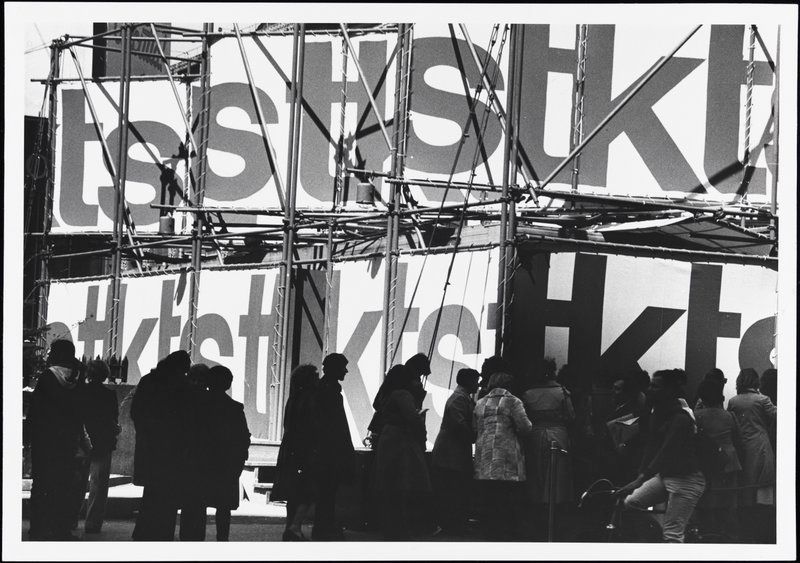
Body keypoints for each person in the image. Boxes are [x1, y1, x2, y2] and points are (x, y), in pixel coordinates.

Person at [619, 369, 706, 543]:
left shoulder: (681, 418)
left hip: (686, 480)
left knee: (672, 534)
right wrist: (640, 476)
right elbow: (651, 448)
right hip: (668, 475)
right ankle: (654, 543)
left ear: (669, 391)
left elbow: (666, 451)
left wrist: (639, 480)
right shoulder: (658, 414)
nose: (650, 389)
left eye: (655, 386)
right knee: (631, 503)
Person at [28, 340, 86, 540]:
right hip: (67, 443)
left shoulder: (47, 377)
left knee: (42, 485)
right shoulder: (78, 378)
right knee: (64, 486)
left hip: (45, 441)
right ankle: (61, 529)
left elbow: (36, 412)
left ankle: (38, 528)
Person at [130, 351, 191, 541]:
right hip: (173, 450)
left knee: (151, 493)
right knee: (169, 497)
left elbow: (136, 412)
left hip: (151, 447)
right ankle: (163, 534)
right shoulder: (182, 386)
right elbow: (186, 420)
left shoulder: (149, 380)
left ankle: (143, 532)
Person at [372, 364, 432, 540]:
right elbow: (412, 418)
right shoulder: (403, 395)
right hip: (401, 441)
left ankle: (390, 526)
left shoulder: (388, 395)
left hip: (388, 439)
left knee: (389, 483)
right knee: (403, 483)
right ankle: (401, 527)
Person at [473, 371, 532, 540]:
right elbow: (525, 427)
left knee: (489, 498)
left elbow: (474, 428)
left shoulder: (480, 403)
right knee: (507, 499)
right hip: (507, 456)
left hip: (485, 455)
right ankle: (506, 534)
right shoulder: (513, 401)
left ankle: (489, 533)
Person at [521, 358, 575, 538]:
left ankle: (537, 512)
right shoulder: (562, 392)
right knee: (557, 475)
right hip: (558, 433)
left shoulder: (528, 393)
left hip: (535, 434)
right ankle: (555, 511)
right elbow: (570, 416)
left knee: (536, 473)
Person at [727, 367, 777, 542]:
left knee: (746, 488)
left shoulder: (733, 401)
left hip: (742, 447)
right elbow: (777, 416)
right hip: (761, 445)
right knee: (763, 488)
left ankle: (746, 529)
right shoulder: (763, 400)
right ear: (756, 381)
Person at [272, 364, 320, 541]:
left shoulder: (293, 399)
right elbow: (313, 426)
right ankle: (295, 526)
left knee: (293, 492)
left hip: (290, 447)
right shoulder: (311, 399)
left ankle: (290, 526)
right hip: (305, 448)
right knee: (309, 490)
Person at [311, 353, 355, 540]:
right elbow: (337, 424)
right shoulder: (331, 392)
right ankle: (325, 526)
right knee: (328, 490)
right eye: (343, 367)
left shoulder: (323, 389)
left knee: (326, 490)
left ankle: (323, 526)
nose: (346, 370)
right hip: (331, 450)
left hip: (325, 449)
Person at [430, 368, 479, 536]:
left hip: (450, 451)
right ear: (469, 382)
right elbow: (459, 424)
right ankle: (452, 525)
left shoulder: (460, 398)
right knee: (454, 488)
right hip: (452, 453)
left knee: (451, 488)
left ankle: (451, 524)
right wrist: (475, 435)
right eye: (475, 381)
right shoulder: (460, 399)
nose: (478, 384)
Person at [692, 378, 742, 541]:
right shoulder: (729, 415)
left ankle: (706, 532)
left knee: (706, 500)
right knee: (726, 500)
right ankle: (723, 533)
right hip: (729, 461)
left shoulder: (696, 415)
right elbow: (738, 439)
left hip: (706, 462)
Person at [81, 359, 121, 534]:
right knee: (98, 484)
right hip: (102, 442)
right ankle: (92, 523)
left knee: (77, 482)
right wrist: (116, 429)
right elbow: (112, 420)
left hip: (81, 441)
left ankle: (69, 520)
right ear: (105, 374)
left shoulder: (80, 392)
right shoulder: (109, 395)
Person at [179, 363, 213, 541]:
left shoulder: (183, 398)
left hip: (185, 455)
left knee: (188, 500)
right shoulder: (209, 400)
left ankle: (186, 534)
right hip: (203, 457)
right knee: (199, 502)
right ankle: (197, 536)